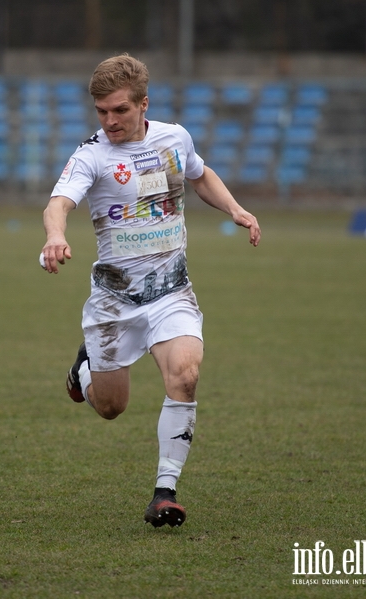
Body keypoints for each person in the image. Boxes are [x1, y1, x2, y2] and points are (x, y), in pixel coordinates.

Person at [41, 54, 261, 528]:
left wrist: (235, 210)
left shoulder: (174, 138)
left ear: (144, 104)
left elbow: (199, 175)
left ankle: (165, 492)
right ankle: (84, 372)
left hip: (170, 292)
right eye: (101, 111)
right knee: (110, 407)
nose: (109, 120)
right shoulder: (91, 155)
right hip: (113, 302)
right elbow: (58, 203)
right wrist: (56, 235)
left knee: (185, 375)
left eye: (119, 110)